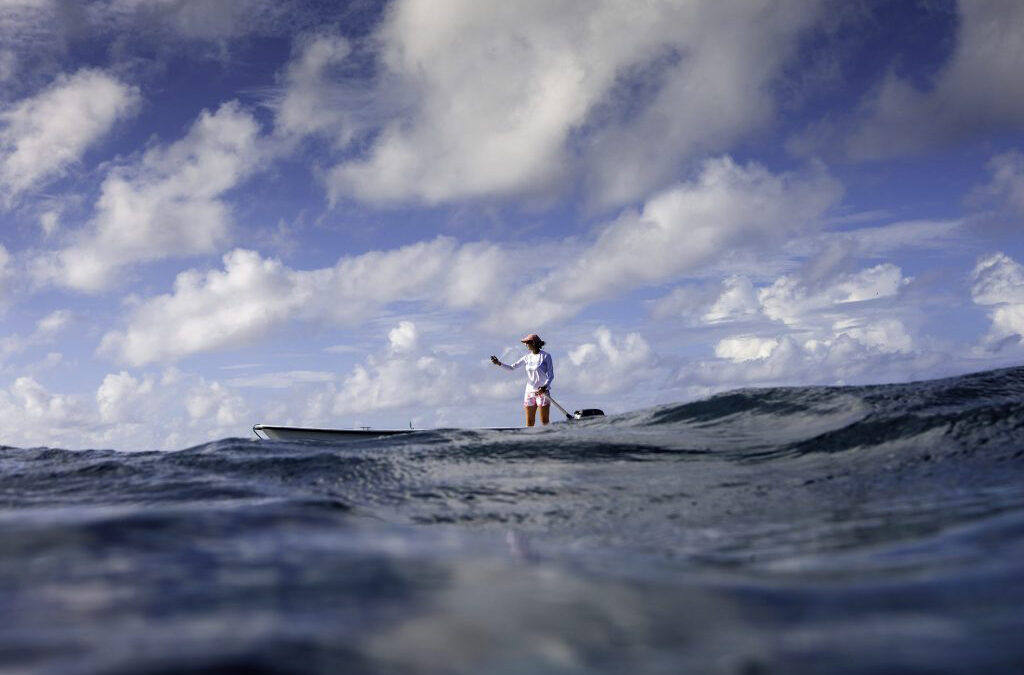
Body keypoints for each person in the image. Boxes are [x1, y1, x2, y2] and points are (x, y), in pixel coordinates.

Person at [490, 333, 554, 427]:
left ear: (534, 343)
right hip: (530, 392)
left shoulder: (546, 356)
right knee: (529, 423)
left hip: (543, 392)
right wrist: (499, 363)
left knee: (544, 422)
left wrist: (545, 387)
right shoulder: (527, 357)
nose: (525, 345)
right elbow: (512, 368)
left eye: (527, 342)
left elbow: (551, 375)